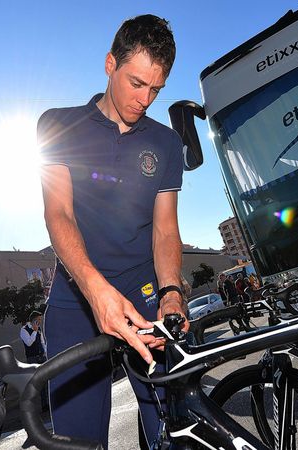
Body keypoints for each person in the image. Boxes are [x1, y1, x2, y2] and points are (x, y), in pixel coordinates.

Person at [38, 15, 188, 449]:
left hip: (143, 291)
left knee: (173, 430)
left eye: (156, 89)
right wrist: (95, 290)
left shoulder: (166, 143)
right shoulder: (56, 124)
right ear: (110, 64)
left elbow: (165, 230)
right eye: (136, 83)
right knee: (78, 439)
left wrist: (171, 292)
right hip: (76, 295)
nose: (145, 99)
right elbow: (59, 214)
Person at [20, 311, 48, 410]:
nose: (40, 321)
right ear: (34, 319)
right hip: (32, 359)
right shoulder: (24, 330)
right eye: (39, 319)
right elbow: (29, 343)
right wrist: (35, 331)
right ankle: (37, 406)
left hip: (42, 357)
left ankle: (46, 403)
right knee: (38, 382)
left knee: (46, 379)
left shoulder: (39, 329)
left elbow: (42, 342)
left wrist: (46, 353)